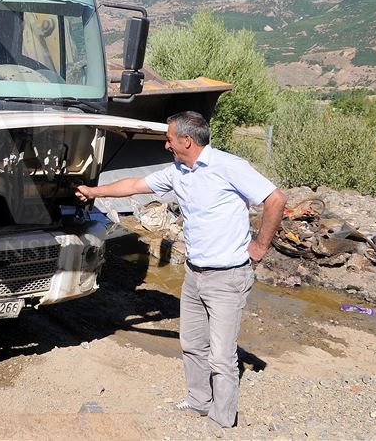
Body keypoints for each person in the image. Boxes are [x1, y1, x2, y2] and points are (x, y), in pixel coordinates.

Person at [75, 111, 286, 431]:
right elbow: (134, 185)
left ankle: (222, 420)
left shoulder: (229, 167)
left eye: (169, 139)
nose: (166, 145)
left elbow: (275, 199)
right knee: (192, 343)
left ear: (187, 140)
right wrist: (93, 193)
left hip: (228, 276)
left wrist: (260, 246)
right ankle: (199, 401)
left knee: (222, 354)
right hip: (195, 274)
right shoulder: (178, 172)